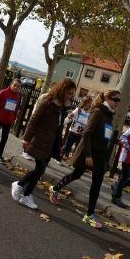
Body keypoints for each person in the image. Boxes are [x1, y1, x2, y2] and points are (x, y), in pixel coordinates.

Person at [49, 89, 121, 228]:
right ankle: (55, 188)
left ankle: (89, 215)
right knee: (77, 174)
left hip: (100, 155)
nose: (118, 103)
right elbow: (87, 134)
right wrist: (88, 155)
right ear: (107, 98)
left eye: (119, 100)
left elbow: (105, 137)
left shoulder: (109, 115)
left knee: (97, 183)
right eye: (116, 99)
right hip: (88, 153)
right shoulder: (98, 112)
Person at [11, 78, 76, 210]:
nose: (71, 96)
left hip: (51, 142)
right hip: (40, 138)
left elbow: (58, 126)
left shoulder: (63, 106)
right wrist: (26, 138)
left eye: (72, 94)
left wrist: (59, 144)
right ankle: (19, 184)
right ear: (62, 90)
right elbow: (34, 119)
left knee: (41, 170)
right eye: (69, 93)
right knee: (40, 168)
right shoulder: (48, 101)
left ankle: (27, 195)